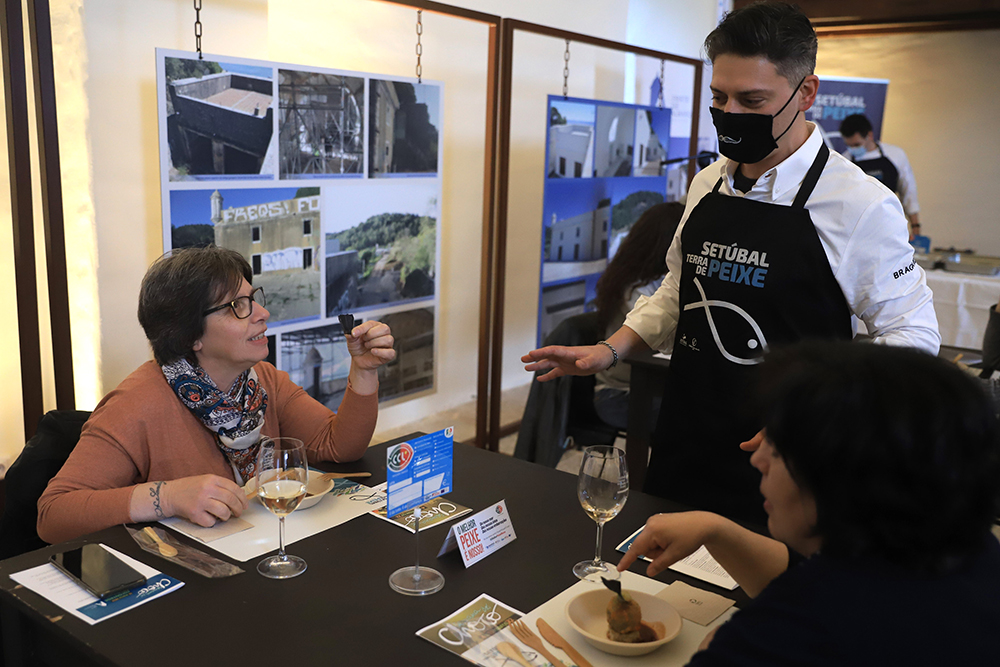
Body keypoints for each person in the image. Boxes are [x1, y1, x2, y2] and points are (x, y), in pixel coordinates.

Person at [522, 1, 939, 525]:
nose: (731, 114)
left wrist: (820, 414)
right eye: (719, 97)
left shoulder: (860, 204)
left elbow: (913, 334)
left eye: (753, 98)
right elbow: (680, 286)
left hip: (785, 460)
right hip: (686, 433)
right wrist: (612, 349)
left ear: (806, 92)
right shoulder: (708, 182)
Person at [618, 342, 1000, 664]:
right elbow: (812, 577)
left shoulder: (783, 637)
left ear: (841, 474)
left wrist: (713, 648)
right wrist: (716, 530)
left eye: (781, 448)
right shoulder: (973, 552)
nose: (757, 459)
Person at [37, 246, 395, 544]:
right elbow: (54, 515)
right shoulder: (136, 405)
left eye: (253, 299)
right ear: (190, 335)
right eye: (238, 306)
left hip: (261, 551)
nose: (262, 314)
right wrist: (168, 497)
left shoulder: (261, 380)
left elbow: (339, 447)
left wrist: (363, 370)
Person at [591, 202, 683, 430]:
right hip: (621, 395)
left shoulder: (652, 281)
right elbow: (660, 337)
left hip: (643, 388)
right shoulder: (635, 289)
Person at [839, 113, 921, 229]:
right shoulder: (844, 161)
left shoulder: (895, 155)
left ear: (870, 135)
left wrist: (915, 225)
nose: (853, 149)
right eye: (849, 145)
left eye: (857, 144)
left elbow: (908, 192)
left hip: (888, 222)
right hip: (855, 226)